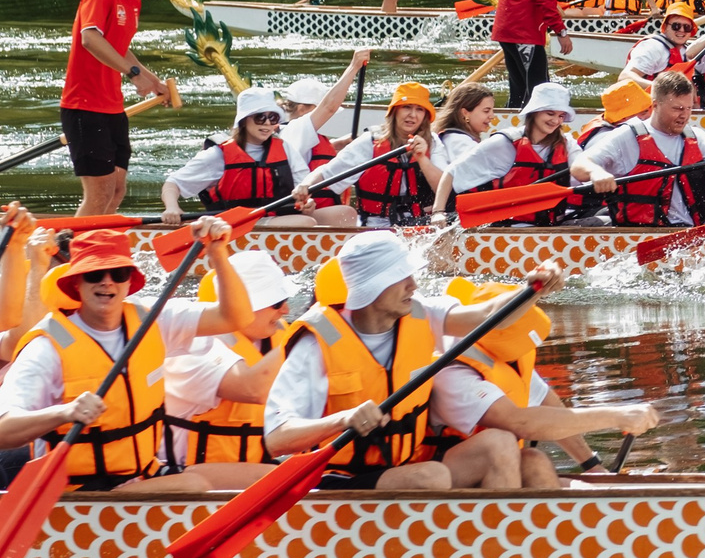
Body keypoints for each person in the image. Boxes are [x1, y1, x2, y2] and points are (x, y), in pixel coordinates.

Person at [261, 232, 548, 490]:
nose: (413, 285)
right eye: (401, 277)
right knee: (431, 477)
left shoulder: (421, 312)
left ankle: (494, 543)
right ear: (372, 287)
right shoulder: (317, 341)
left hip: (406, 464)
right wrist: (344, 419)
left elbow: (488, 317)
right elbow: (276, 439)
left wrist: (532, 290)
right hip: (339, 479)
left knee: (500, 442)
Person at [0, 222, 268, 493]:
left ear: (129, 282)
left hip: (142, 473)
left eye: (118, 273)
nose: (107, 281)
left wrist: (217, 253)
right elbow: (4, 430)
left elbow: (236, 317)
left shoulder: (153, 318)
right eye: (94, 274)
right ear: (76, 283)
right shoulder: (47, 347)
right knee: (193, 484)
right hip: (77, 493)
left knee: (205, 481)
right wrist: (64, 412)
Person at [431, 277, 657, 488]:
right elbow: (522, 424)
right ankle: (507, 526)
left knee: (534, 461)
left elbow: (548, 407)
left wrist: (592, 467)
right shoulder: (455, 371)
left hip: (489, 465)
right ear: (501, 338)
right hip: (439, 471)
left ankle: (549, 526)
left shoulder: (504, 356)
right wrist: (617, 417)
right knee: (498, 444)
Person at [60, 0, 168, 217]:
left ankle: (97, 247)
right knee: (100, 194)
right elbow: (90, 39)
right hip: (84, 106)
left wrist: (152, 80)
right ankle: (74, 252)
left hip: (112, 107)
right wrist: (133, 75)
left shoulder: (134, 0)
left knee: (117, 191)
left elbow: (119, 46)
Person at [161, 249, 299, 468]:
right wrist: (306, 334)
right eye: (276, 302)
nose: (286, 310)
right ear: (246, 306)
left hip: (252, 464)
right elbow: (253, 389)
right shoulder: (197, 345)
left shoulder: (274, 335)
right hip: (186, 472)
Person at [571, 73, 705, 226]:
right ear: (655, 105)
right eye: (677, 109)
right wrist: (596, 173)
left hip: (689, 232)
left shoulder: (698, 137)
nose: (685, 116)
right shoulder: (627, 136)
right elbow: (579, 166)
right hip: (638, 234)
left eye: (689, 108)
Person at [159, 87, 332, 229]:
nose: (266, 124)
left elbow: (302, 185)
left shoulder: (284, 148)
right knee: (305, 223)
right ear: (244, 120)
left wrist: (307, 202)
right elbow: (173, 183)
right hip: (231, 224)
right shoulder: (219, 155)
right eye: (260, 117)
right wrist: (172, 207)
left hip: (274, 216)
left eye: (272, 118)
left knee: (343, 214)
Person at [436, 81, 585, 224]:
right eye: (550, 113)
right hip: (510, 228)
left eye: (561, 116)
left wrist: (598, 175)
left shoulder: (567, 144)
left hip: (551, 225)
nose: (556, 121)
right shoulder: (506, 143)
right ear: (534, 113)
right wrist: (438, 212)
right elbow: (452, 172)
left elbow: (585, 166)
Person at [273, 53, 370, 224]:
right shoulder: (297, 128)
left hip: (310, 207)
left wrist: (337, 144)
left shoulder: (289, 133)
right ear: (302, 109)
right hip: (298, 211)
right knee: (346, 214)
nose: (328, 118)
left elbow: (303, 154)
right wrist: (354, 66)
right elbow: (329, 107)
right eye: (315, 108)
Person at [338, 82, 444, 228]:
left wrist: (422, 159)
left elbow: (443, 188)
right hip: (375, 224)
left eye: (419, 109)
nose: (412, 115)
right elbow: (328, 174)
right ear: (394, 111)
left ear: (425, 116)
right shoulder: (369, 141)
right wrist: (305, 186)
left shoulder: (433, 142)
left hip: (418, 224)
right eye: (406, 107)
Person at [619, 3, 701, 83]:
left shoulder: (688, 51)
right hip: (649, 95)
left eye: (687, 27)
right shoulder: (653, 47)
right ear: (665, 27)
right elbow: (624, 77)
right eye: (676, 26)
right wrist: (659, 90)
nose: (682, 30)